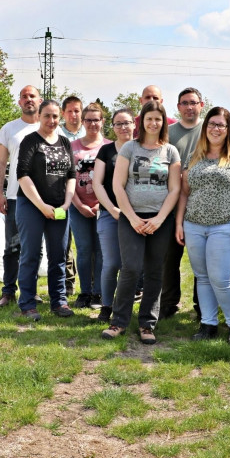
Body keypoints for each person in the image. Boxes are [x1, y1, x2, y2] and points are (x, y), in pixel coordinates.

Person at [102, 101, 181, 344]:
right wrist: (132, 217)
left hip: (160, 220)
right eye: (149, 119)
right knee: (131, 269)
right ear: (141, 121)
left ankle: (147, 324)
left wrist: (159, 219)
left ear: (163, 121)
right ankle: (118, 322)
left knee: (155, 271)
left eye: (158, 119)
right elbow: (118, 185)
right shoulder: (129, 148)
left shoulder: (170, 152)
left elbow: (175, 189)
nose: (153, 123)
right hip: (130, 218)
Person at [176, 107, 230, 346]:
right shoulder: (195, 156)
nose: (216, 129)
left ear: (228, 128)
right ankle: (208, 323)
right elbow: (184, 193)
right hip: (194, 225)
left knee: (221, 278)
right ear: (205, 127)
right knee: (202, 277)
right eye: (212, 124)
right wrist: (179, 222)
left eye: (221, 125)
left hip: (225, 225)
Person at [15, 100, 76, 321]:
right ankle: (28, 303)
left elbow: (71, 176)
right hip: (31, 206)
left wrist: (67, 203)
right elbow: (22, 175)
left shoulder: (65, 142)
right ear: (39, 116)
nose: (51, 121)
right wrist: (42, 206)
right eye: (47, 116)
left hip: (60, 207)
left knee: (59, 256)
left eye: (55, 117)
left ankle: (59, 301)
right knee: (30, 255)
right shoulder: (30, 141)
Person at [0, 85, 42, 307]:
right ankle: (8, 291)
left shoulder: (50, 127)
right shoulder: (9, 129)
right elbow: (1, 164)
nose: (28, 99)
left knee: (35, 248)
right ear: (19, 102)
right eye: (24, 97)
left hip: (43, 199)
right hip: (14, 197)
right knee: (12, 247)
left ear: (39, 100)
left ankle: (31, 291)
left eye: (32, 96)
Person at [160, 87, 204, 320]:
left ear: (201, 105)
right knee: (169, 258)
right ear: (178, 107)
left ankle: (201, 304)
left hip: (201, 201)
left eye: (193, 103)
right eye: (185, 103)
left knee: (200, 259)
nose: (189, 107)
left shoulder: (209, 129)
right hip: (172, 200)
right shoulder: (168, 132)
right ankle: (168, 303)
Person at [93, 108, 135, 322]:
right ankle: (106, 306)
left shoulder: (142, 149)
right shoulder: (105, 151)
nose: (122, 127)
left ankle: (125, 307)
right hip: (111, 215)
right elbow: (97, 184)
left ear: (134, 124)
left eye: (126, 123)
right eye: (118, 124)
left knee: (133, 265)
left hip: (138, 216)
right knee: (111, 263)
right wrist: (112, 210)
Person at [70, 103, 110, 309]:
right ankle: (85, 292)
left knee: (102, 251)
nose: (93, 123)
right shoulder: (72, 146)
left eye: (97, 119)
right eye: (89, 120)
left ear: (102, 121)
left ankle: (99, 293)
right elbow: (67, 180)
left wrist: (100, 205)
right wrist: (78, 205)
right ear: (82, 122)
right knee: (84, 250)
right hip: (78, 207)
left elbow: (112, 181)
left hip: (103, 208)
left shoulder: (109, 146)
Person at [60, 96, 84, 296]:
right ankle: (68, 282)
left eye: (77, 110)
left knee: (88, 245)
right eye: (70, 111)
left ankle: (91, 283)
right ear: (63, 113)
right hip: (62, 196)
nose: (74, 115)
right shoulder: (57, 133)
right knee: (64, 242)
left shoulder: (90, 131)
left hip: (88, 198)